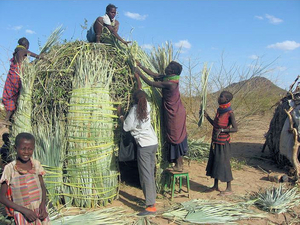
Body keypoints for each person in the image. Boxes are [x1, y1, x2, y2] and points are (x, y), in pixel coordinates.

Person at [135, 61, 188, 172]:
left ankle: (179, 165)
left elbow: (151, 83)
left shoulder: (171, 83)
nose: (166, 68)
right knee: (173, 135)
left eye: (168, 67)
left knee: (175, 137)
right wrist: (141, 66)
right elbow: (154, 75)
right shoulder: (169, 78)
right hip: (173, 110)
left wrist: (138, 73)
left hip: (175, 113)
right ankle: (178, 163)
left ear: (172, 71)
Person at [118, 73, 158, 216]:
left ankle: (150, 206)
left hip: (145, 146)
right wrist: (137, 78)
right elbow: (140, 91)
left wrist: (121, 115)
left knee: (145, 175)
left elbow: (126, 127)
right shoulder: (147, 105)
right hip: (153, 143)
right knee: (150, 173)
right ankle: (152, 199)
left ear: (134, 100)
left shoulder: (134, 111)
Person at [0, 132, 50, 224]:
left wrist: (43, 205)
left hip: (39, 211)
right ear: (15, 148)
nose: (26, 152)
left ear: (33, 149)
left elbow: (42, 187)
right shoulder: (10, 169)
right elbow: (2, 197)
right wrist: (24, 210)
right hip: (22, 213)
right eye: (23, 149)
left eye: (30, 149)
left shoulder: (36, 165)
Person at [1, 37, 43, 127]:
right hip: (17, 77)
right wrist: (44, 57)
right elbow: (37, 56)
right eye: (28, 46)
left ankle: (7, 119)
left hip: (11, 76)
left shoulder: (16, 53)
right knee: (15, 97)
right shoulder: (23, 51)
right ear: (26, 45)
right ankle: (7, 120)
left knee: (11, 96)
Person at [204, 91, 238, 196]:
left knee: (224, 164)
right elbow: (215, 125)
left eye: (221, 97)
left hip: (223, 143)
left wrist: (223, 131)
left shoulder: (229, 113)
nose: (219, 98)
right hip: (215, 141)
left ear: (227, 99)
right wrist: (206, 116)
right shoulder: (220, 110)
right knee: (215, 162)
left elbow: (235, 129)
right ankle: (215, 185)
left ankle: (229, 188)